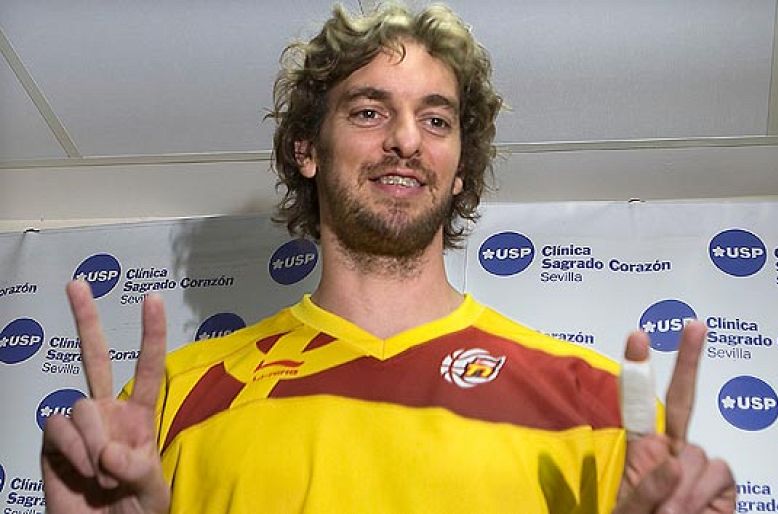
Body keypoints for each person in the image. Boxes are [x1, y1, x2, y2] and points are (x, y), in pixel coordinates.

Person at [41, 3, 736, 513]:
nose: (407, 140)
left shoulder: (599, 404)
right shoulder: (171, 402)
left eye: (436, 120)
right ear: (308, 150)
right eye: (370, 111)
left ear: (459, 169)